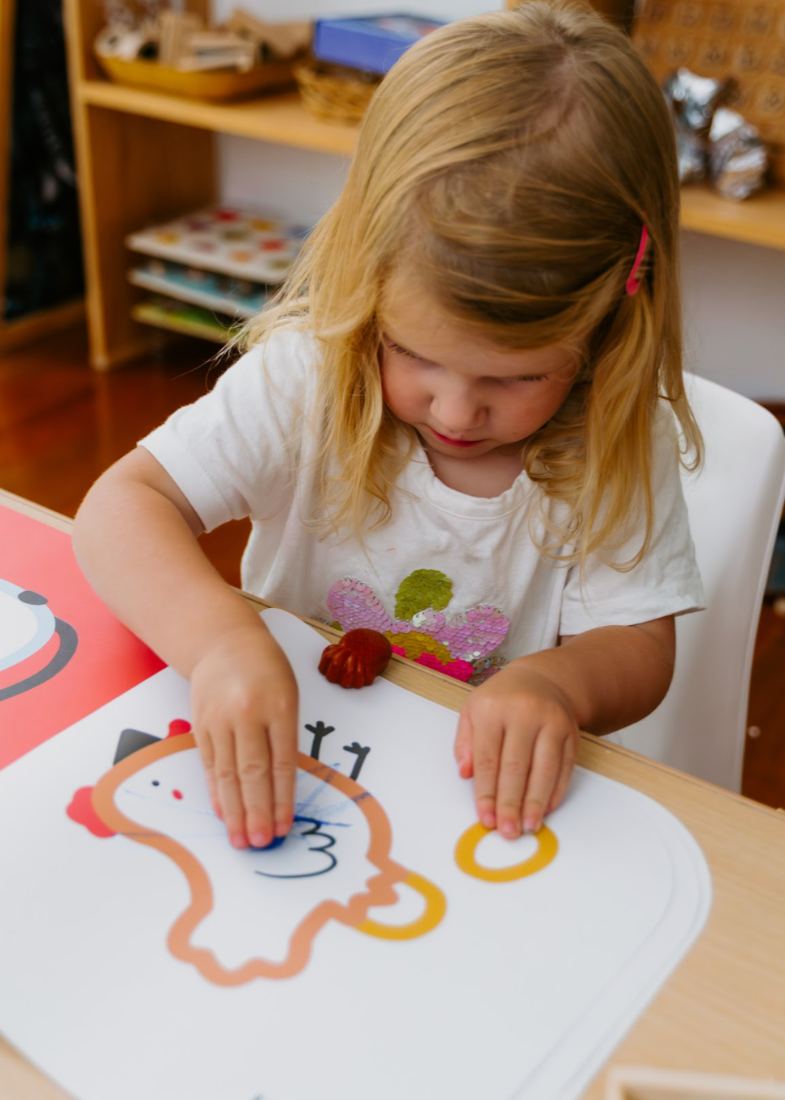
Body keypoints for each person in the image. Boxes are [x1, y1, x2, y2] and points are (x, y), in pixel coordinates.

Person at [73, 0, 705, 854]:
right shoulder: (312, 372)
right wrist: (221, 646)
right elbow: (122, 508)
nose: (454, 412)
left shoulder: (618, 437)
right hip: (298, 756)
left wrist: (559, 685)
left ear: (607, 325)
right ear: (364, 279)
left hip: (467, 810)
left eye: (514, 377)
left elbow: (638, 637)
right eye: (412, 353)